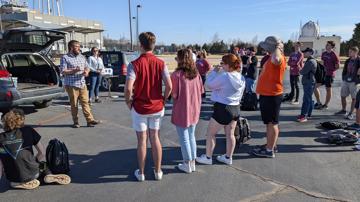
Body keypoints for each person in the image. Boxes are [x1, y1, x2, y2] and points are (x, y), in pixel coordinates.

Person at [125, 32, 172, 182]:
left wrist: (128, 101)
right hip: (157, 107)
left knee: (142, 141)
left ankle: (142, 173)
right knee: (155, 138)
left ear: (141, 45)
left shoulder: (134, 64)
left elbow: (127, 89)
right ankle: (158, 172)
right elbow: (169, 86)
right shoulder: (161, 63)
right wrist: (164, 99)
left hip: (140, 108)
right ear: (154, 45)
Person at [0, 109, 71, 190]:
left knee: (11, 181)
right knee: (43, 164)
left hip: (14, 177)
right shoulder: (28, 130)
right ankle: (48, 174)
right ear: (21, 120)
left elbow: (0, 164)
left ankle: (18, 183)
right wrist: (34, 161)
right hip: (34, 172)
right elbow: (42, 153)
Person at [196, 54, 245, 165]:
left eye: (223, 63)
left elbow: (208, 85)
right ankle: (228, 157)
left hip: (223, 108)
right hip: (235, 108)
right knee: (230, 134)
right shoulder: (241, 77)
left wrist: (214, 72)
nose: (221, 66)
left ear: (228, 65)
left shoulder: (225, 76)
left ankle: (208, 157)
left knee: (210, 134)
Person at [252, 36, 286, 158]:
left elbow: (277, 60)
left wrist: (277, 47)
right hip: (268, 94)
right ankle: (271, 145)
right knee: (270, 123)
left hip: (271, 95)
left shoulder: (278, 57)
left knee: (272, 123)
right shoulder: (272, 56)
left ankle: (269, 150)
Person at [171, 49, 204, 173]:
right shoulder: (196, 74)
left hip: (182, 109)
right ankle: (192, 163)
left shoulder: (176, 75)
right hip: (194, 109)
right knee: (191, 136)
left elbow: (174, 94)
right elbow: (201, 91)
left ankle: (187, 163)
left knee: (184, 138)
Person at [60, 40, 101, 128]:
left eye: (79, 46)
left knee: (85, 102)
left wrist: (86, 71)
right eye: (77, 46)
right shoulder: (65, 57)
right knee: (74, 104)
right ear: (71, 47)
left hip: (82, 83)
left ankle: (90, 121)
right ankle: (76, 122)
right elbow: (63, 71)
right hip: (71, 85)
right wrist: (74, 70)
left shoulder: (82, 57)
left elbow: (87, 67)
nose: (79, 48)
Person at [314, 41, 340, 109]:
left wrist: (330, 71)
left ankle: (326, 105)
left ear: (332, 46)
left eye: (328, 45)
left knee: (328, 89)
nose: (326, 46)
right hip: (323, 74)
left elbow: (337, 66)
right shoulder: (324, 53)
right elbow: (322, 63)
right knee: (314, 87)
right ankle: (319, 103)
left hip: (330, 75)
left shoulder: (334, 55)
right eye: (326, 44)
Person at [336, 46, 360, 119]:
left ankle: (351, 113)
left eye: (351, 52)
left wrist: (357, 80)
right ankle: (344, 110)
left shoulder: (359, 60)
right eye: (349, 51)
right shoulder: (348, 60)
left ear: (356, 52)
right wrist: (344, 77)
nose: (349, 53)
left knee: (354, 98)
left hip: (354, 82)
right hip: (346, 80)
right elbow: (345, 70)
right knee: (343, 96)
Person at [296, 48, 317, 122]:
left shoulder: (310, 61)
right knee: (309, 98)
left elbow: (303, 71)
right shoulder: (310, 60)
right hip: (309, 81)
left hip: (309, 82)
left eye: (306, 52)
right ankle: (308, 114)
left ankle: (304, 116)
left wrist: (299, 69)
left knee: (306, 99)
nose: (304, 53)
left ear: (310, 52)